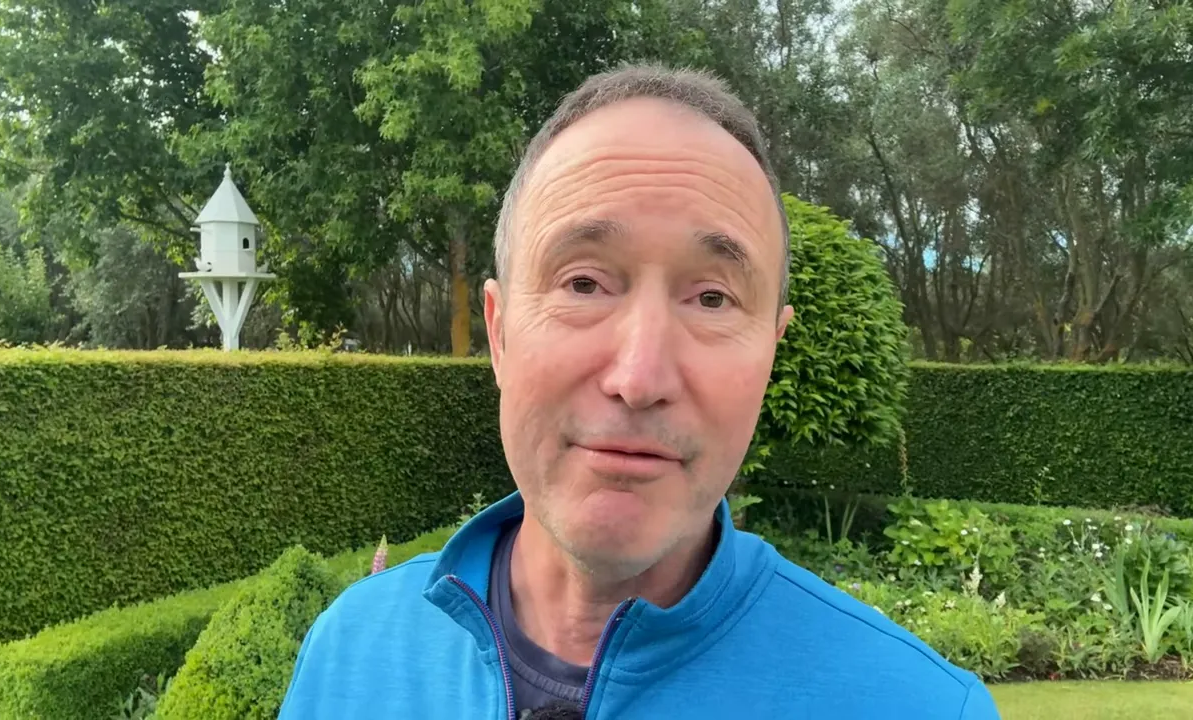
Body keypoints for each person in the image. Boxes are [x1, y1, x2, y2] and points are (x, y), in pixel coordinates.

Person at [278, 64, 1001, 720]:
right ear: (499, 335)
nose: (639, 377)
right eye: (584, 283)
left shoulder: (922, 707)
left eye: (712, 299)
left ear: (770, 356)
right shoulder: (351, 651)